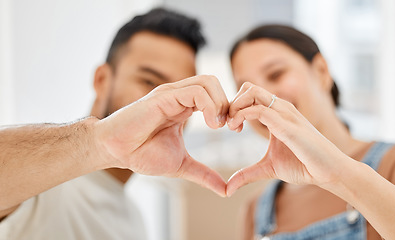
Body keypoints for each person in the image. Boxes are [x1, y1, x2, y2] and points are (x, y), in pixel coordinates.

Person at [0, 8, 229, 240]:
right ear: (101, 80)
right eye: (149, 81)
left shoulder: (134, 220)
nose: (168, 105)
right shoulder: (39, 184)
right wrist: (101, 143)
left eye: (182, 94)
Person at [226, 24, 395, 240]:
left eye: (276, 74)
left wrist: (340, 174)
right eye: (244, 88)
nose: (260, 96)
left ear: (322, 71)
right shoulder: (256, 211)